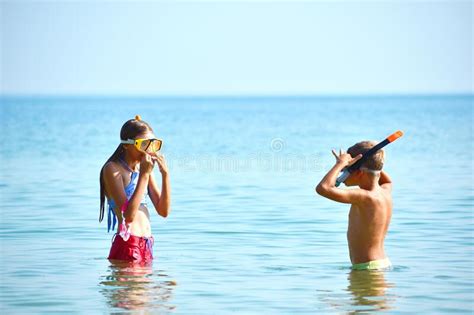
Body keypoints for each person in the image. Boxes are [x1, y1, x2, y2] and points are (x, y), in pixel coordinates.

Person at [99, 115, 171, 263]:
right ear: (126, 145)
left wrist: (165, 175)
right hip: (128, 245)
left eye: (153, 144)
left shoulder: (143, 169)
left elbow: (163, 211)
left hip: (147, 245)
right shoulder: (112, 169)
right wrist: (144, 174)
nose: (149, 150)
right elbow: (128, 217)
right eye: (143, 144)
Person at [316, 141, 393, 270]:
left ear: (359, 172)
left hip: (367, 268)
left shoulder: (364, 197)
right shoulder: (385, 190)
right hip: (381, 264)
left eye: (345, 170)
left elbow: (323, 188)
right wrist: (373, 158)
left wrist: (340, 164)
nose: (342, 174)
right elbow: (385, 178)